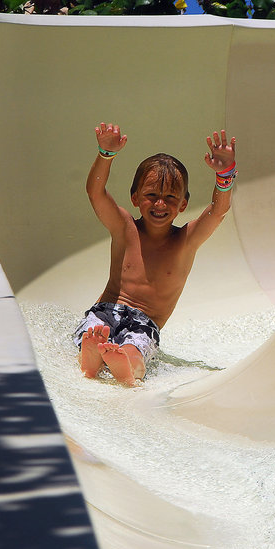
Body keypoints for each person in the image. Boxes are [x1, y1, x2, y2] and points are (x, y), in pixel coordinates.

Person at [73, 122, 237, 386]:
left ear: (183, 204)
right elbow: (96, 192)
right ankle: (92, 354)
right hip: (105, 311)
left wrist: (225, 175)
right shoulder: (125, 228)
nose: (161, 204)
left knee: (136, 348)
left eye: (171, 197)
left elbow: (218, 211)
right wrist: (106, 154)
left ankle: (123, 361)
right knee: (92, 332)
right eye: (151, 195)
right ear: (135, 198)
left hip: (144, 323)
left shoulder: (185, 241)